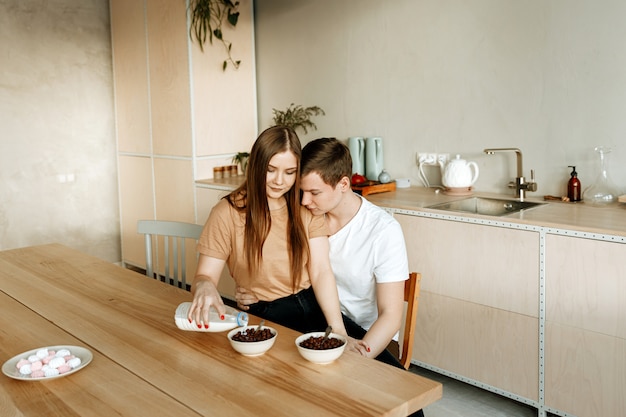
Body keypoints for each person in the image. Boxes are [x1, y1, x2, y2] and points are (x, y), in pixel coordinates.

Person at [187, 127, 349, 342]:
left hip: (313, 305)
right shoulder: (226, 212)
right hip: (265, 313)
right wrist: (205, 286)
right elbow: (204, 277)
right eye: (271, 169)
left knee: (376, 362)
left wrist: (337, 328)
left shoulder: (305, 206)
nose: (279, 181)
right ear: (256, 165)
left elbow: (320, 270)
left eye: (290, 172)